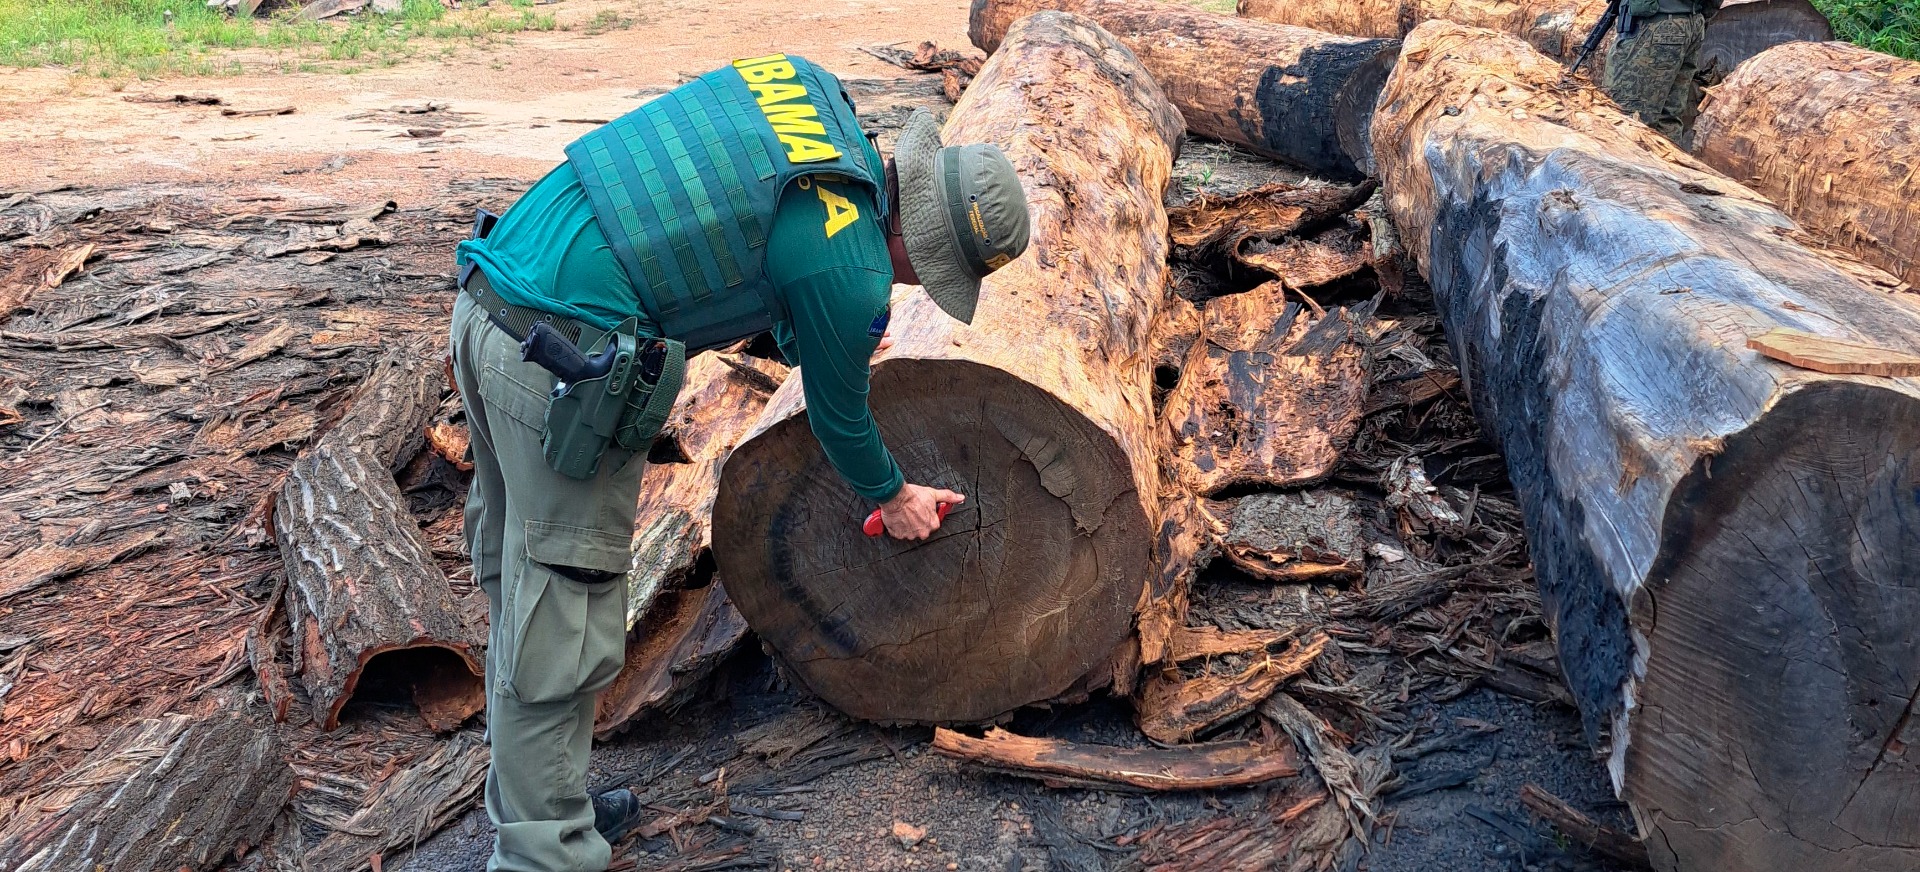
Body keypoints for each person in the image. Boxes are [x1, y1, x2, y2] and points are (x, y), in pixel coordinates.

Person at [447, 52, 1031, 872]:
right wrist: (893, 495)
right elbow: (838, 414)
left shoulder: (817, 103)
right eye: (928, 269)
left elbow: (731, 237)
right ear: (921, 238)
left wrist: (828, 319)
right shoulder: (850, 265)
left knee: (526, 587)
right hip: (559, 357)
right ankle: (542, 856)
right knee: (562, 619)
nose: (915, 284)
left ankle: (548, 807)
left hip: (493, 293)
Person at [1602, 0, 1721, 143]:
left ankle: (1631, 163)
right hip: (1690, 22)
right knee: (1668, 119)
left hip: (1653, 24)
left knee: (1626, 117)